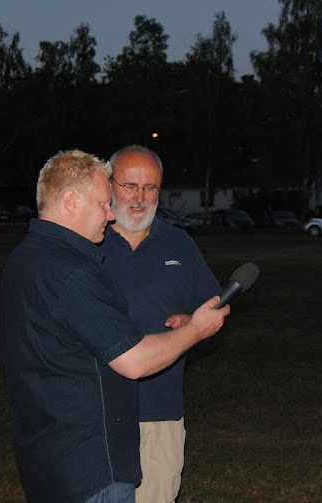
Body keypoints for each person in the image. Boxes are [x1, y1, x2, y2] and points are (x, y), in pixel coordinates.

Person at [0, 150, 229, 503]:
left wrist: (191, 321)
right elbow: (133, 360)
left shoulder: (26, 257)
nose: (110, 214)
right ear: (71, 201)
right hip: (89, 459)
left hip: (52, 448)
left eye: (150, 188)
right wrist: (196, 329)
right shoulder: (74, 270)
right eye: (105, 202)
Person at [100, 145, 219, 503]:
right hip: (95, 411)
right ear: (109, 185)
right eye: (130, 186)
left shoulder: (179, 243)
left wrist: (193, 322)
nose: (139, 198)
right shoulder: (89, 242)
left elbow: (214, 307)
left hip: (160, 409)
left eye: (149, 187)